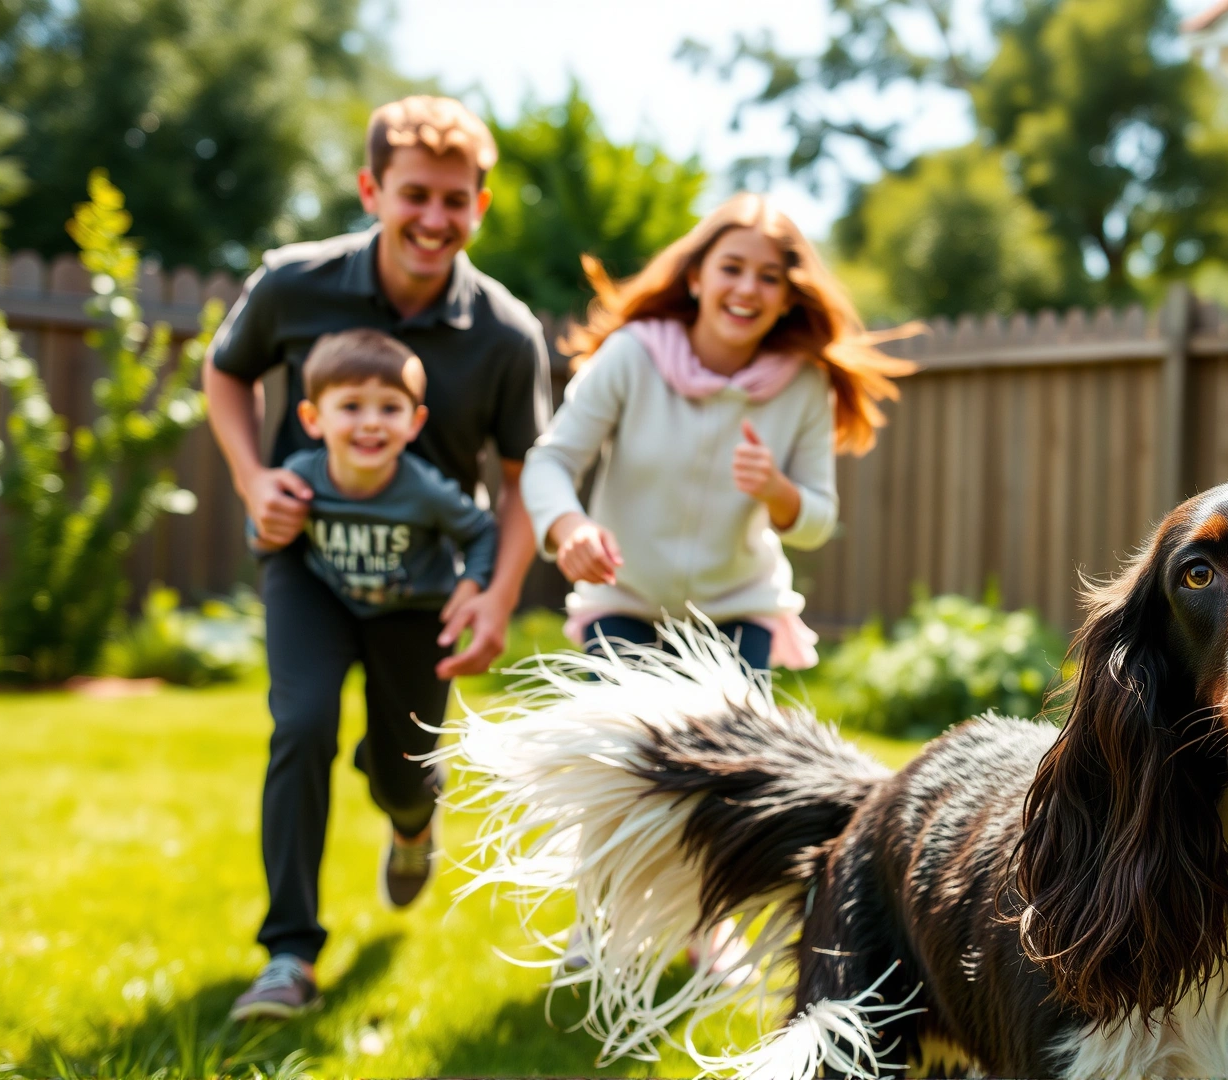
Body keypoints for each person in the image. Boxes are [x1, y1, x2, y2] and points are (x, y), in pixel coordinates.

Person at [203, 96, 549, 1020]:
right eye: (414, 196)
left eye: (455, 200)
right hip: (307, 563)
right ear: (371, 189)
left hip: (426, 591)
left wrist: (496, 591)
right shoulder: (292, 284)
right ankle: (288, 956)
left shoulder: (506, 334)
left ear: (480, 203)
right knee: (302, 725)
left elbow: (524, 481)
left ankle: (410, 819)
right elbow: (225, 369)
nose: (434, 220)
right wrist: (251, 481)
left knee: (402, 767)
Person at [522, 193, 912, 674]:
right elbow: (550, 461)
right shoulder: (631, 356)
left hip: (738, 612)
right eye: (731, 268)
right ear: (695, 277)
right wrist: (570, 527)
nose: (748, 288)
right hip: (624, 602)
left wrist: (777, 491)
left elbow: (818, 520)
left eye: (769, 277)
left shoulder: (804, 385)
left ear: (788, 297)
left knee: (733, 752)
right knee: (624, 748)